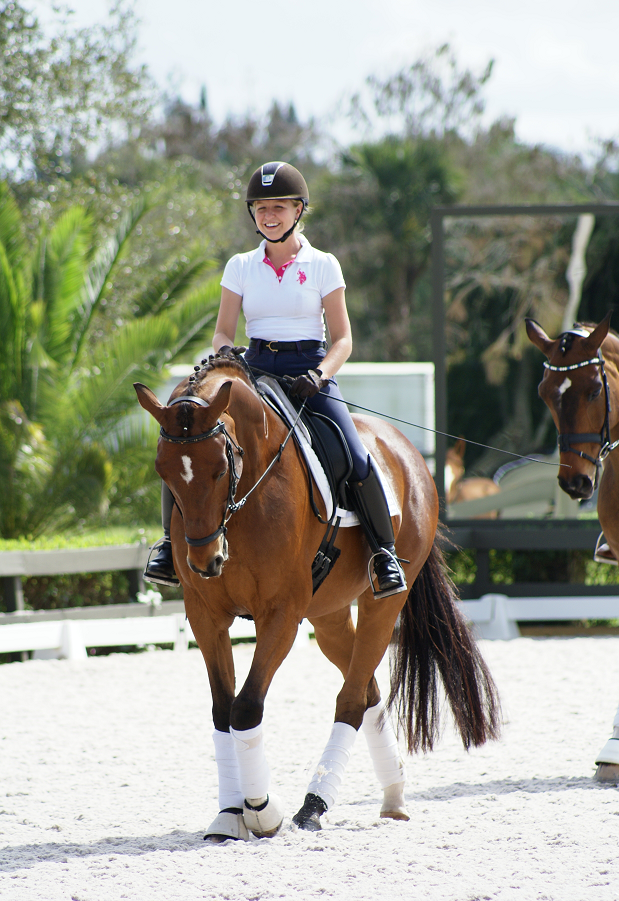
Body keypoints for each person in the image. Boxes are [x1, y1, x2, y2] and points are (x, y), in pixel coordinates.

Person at [144, 161, 406, 599]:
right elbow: (223, 331)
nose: (269, 215)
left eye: (279, 207)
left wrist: (320, 376)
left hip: (310, 373)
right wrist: (228, 354)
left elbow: (343, 339)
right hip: (255, 372)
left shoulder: (323, 265)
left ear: (299, 210)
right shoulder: (241, 266)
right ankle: (170, 548)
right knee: (188, 445)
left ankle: (384, 554)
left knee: (355, 455)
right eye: (261, 207)